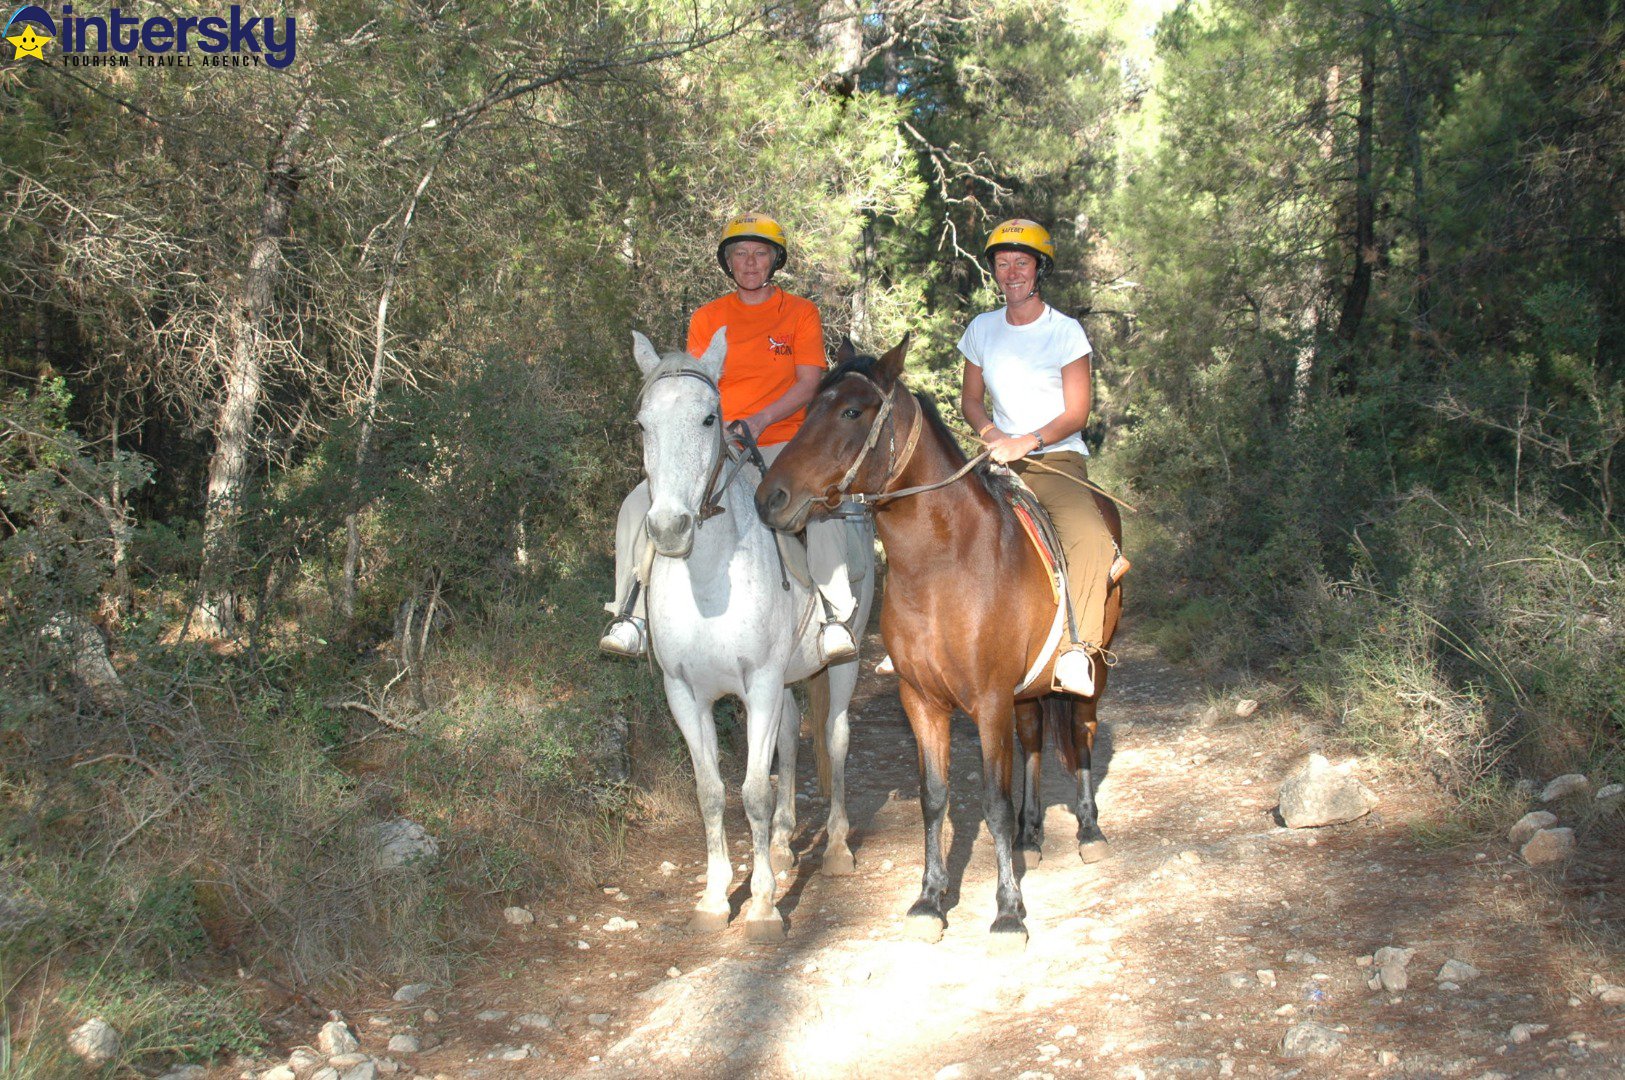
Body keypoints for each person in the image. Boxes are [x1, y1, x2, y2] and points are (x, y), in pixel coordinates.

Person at [600, 212, 861, 663]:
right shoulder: (708, 317)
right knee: (636, 505)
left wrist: (759, 420)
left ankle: (833, 614)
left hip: (784, 440)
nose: (750, 262)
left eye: (760, 253)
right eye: (739, 254)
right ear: (728, 262)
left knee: (817, 507)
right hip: (722, 440)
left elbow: (808, 384)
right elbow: (698, 386)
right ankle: (632, 613)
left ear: (775, 260)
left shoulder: (799, 313)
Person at [958, 218, 1119, 696]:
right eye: (1002, 263)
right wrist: (991, 434)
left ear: (1039, 269)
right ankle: (927, 642)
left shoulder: (1065, 332)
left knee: (1090, 537)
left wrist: (1026, 441)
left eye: (1021, 263)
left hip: (1055, 458)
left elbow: (1077, 412)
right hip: (996, 456)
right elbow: (970, 400)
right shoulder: (981, 328)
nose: (1011, 272)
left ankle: (1077, 649)